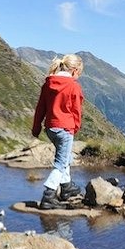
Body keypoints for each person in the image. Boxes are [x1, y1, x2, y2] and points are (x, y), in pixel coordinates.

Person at [32, 54, 85, 210]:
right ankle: (48, 194)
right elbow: (76, 110)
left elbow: (40, 108)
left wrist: (36, 127)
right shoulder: (73, 86)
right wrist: (75, 127)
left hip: (51, 128)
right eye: (79, 72)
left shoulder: (48, 83)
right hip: (65, 128)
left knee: (65, 156)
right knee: (60, 163)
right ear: (74, 70)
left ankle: (66, 187)